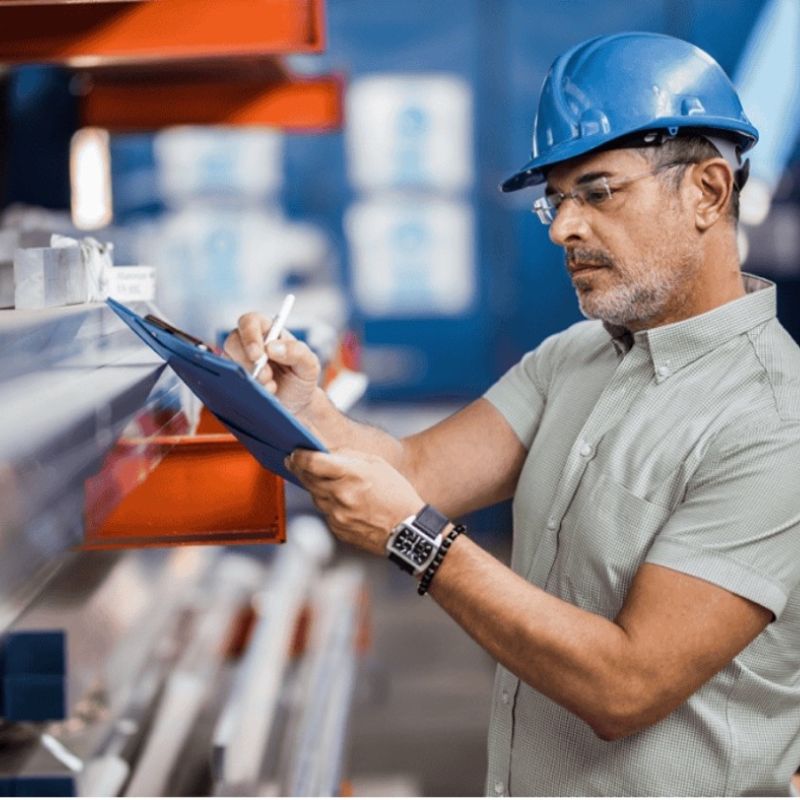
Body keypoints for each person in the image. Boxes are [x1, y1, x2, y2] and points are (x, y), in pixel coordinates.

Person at [225, 32, 800, 796]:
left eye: (598, 192)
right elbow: (418, 472)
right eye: (557, 201)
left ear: (708, 191)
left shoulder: (773, 422)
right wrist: (306, 409)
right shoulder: (576, 357)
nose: (564, 228)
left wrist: (420, 545)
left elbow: (625, 688)